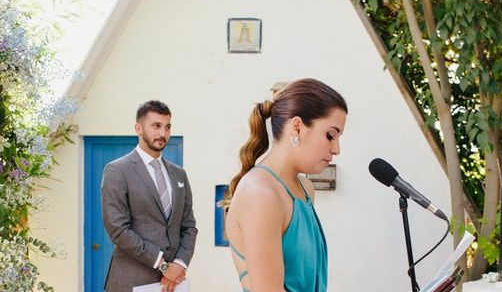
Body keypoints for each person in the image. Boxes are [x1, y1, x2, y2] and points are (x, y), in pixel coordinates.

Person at [222, 78, 348, 292]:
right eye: (330, 135)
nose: (337, 149)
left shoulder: (306, 189)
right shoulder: (260, 193)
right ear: (297, 127)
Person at [101, 100, 198, 292]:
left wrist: (180, 264)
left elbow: (189, 226)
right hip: (131, 280)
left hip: (173, 283)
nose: (163, 133)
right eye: (156, 126)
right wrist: (162, 265)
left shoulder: (179, 174)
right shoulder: (117, 170)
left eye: (167, 127)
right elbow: (118, 229)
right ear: (138, 128)